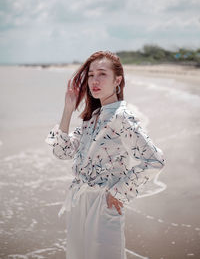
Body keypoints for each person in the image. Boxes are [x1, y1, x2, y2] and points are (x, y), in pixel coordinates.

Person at [45, 50, 165, 259]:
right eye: (91, 75)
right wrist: (68, 109)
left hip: (103, 205)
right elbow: (62, 152)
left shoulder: (122, 117)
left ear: (117, 80)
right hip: (79, 202)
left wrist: (118, 192)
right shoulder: (93, 117)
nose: (94, 80)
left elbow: (154, 161)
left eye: (102, 74)